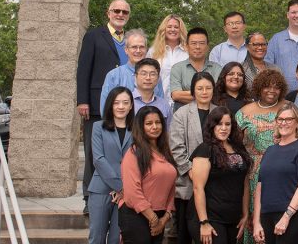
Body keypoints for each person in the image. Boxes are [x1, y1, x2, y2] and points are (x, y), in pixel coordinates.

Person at [78, 0, 131, 213]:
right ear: (108, 13)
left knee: (120, 152)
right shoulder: (93, 36)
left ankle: (119, 194)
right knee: (94, 153)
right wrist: (82, 100)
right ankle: (89, 199)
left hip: (124, 107)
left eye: (124, 12)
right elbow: (83, 69)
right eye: (116, 11)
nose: (120, 14)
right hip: (97, 104)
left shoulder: (129, 40)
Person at [236, 69, 291, 244]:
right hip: (254, 172)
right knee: (255, 215)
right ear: (259, 88)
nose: (271, 91)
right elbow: (236, 142)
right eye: (267, 87)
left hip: (284, 171)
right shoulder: (244, 112)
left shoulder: (289, 108)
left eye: (276, 87)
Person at [253, 104, 298, 244]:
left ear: (297, 123)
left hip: (294, 216)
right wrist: (256, 222)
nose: (283, 123)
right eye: (280, 119)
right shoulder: (269, 151)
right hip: (267, 216)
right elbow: (260, 188)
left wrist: (286, 216)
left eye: (288, 119)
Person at [189, 106, 252, 244]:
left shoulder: (238, 148)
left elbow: (245, 183)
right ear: (212, 126)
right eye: (219, 124)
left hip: (233, 218)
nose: (223, 128)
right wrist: (204, 222)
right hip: (210, 218)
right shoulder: (205, 149)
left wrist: (245, 214)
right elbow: (197, 188)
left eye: (227, 124)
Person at [171, 72, 217, 244]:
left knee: (209, 233)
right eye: (199, 88)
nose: (204, 92)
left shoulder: (219, 112)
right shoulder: (181, 114)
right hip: (187, 183)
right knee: (184, 233)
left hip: (214, 182)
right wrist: (190, 171)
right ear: (193, 91)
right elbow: (176, 147)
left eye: (208, 88)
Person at [121, 106, 177, 244]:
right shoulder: (134, 152)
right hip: (136, 215)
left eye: (158, 123)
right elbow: (132, 191)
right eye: (149, 123)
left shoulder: (165, 152)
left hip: (160, 215)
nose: (154, 127)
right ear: (140, 127)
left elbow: (171, 188)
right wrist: (153, 218)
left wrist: (164, 218)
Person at [88, 87, 134, 244]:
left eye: (125, 102)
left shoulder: (137, 130)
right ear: (110, 105)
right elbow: (99, 159)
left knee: (117, 238)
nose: (121, 106)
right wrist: (120, 187)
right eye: (116, 103)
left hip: (127, 193)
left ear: (131, 106)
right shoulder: (98, 127)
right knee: (97, 237)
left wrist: (126, 190)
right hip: (101, 189)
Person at [99, 29, 157, 115]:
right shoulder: (113, 75)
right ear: (126, 50)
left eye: (141, 47)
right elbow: (105, 109)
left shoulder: (154, 76)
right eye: (134, 47)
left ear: (146, 50)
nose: (138, 51)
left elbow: (159, 106)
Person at [169, 27, 223, 112]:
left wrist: (187, 94)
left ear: (207, 46)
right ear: (187, 46)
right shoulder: (177, 68)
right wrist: (207, 95)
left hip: (211, 116)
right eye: (193, 43)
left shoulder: (217, 68)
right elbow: (176, 95)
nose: (198, 47)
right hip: (183, 116)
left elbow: (218, 95)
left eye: (202, 43)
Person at [149, 14, 189, 96]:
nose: (173, 29)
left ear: (181, 30)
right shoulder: (153, 52)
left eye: (176, 27)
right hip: (158, 100)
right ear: (164, 29)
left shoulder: (188, 52)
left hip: (183, 101)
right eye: (169, 27)